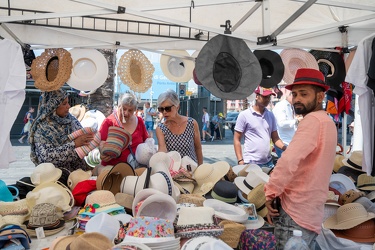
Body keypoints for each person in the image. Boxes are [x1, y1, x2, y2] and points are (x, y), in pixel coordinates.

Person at [264, 68, 337, 249]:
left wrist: (270, 192)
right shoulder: (327, 121)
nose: (297, 99)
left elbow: (288, 161)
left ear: (320, 97)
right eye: (295, 94)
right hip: (310, 211)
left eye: (304, 94)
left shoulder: (313, 121)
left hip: (296, 211)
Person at [29, 89, 94, 183]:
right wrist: (74, 145)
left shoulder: (72, 120)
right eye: (64, 104)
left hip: (78, 177)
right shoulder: (42, 129)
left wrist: (87, 144)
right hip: (56, 180)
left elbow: (83, 139)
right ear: (52, 106)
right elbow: (46, 158)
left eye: (68, 103)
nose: (68, 106)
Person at [234, 86, 286, 169]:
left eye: (269, 97)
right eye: (264, 96)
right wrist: (240, 160)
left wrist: (286, 148)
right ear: (257, 96)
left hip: (268, 163)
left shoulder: (270, 115)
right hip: (251, 163)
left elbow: (275, 138)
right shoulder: (244, 115)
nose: (267, 99)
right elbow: (237, 139)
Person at [99, 92, 149, 166]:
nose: (126, 113)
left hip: (135, 168)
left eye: (130, 110)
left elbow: (145, 141)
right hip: (112, 168)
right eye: (124, 109)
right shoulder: (109, 122)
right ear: (118, 107)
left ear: (134, 110)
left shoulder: (139, 121)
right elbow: (101, 143)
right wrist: (102, 152)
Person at [156, 89, 203, 165]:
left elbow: (198, 148)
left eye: (168, 108)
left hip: (192, 170)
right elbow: (162, 150)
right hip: (173, 172)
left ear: (177, 107)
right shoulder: (161, 128)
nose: (164, 112)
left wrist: (201, 167)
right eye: (161, 109)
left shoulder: (191, 123)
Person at [272, 90, 303, 157]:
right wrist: (296, 120)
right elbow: (281, 123)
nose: (297, 99)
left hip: (291, 143)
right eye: (295, 96)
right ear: (290, 95)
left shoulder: (291, 106)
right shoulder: (281, 106)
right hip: (284, 144)